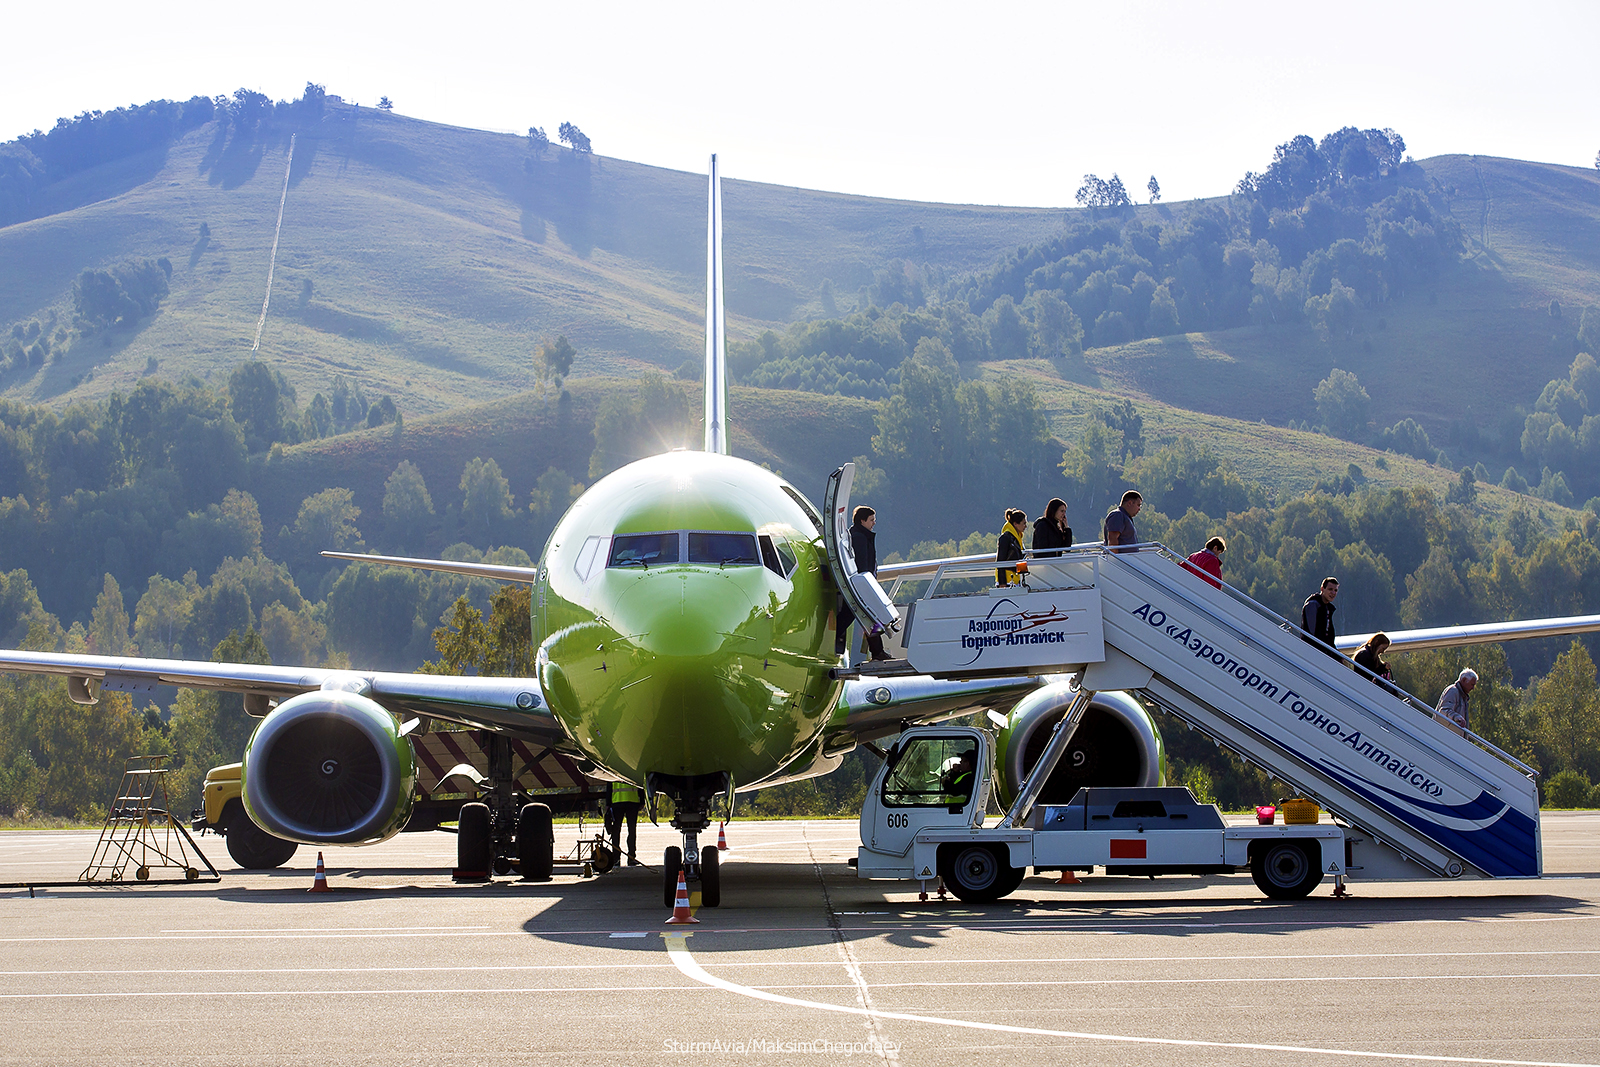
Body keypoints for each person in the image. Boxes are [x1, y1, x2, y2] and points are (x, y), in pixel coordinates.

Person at [837, 505, 890, 661]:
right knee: (872, 618)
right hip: (862, 586)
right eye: (871, 520)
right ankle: (877, 652)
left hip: (861, 585)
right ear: (862, 520)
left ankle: (877, 651)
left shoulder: (858, 535)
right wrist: (868, 584)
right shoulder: (860, 537)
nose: (874, 523)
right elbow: (862, 564)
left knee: (855, 617)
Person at [606, 780, 643, 865]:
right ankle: (631, 857)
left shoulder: (614, 768)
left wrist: (608, 803)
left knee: (616, 831)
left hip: (617, 802)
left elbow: (609, 785)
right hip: (632, 802)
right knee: (632, 830)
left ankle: (616, 858)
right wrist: (642, 800)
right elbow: (639, 782)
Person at [1301, 576, 1339, 653]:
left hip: (1325, 650)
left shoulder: (1328, 608)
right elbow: (1312, 633)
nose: (1333, 593)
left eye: (1335, 590)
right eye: (1330, 589)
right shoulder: (1313, 605)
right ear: (1322, 589)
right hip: (1314, 651)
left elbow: (1328, 634)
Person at [1436, 668, 1477, 733]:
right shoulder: (1453, 691)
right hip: (1444, 736)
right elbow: (1443, 711)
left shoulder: (1463, 697)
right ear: (1464, 680)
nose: (1473, 688)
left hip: (1452, 737)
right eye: (1472, 684)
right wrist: (1456, 717)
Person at [996, 508, 1027, 585]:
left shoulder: (1017, 538)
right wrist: (1002, 583)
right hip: (1008, 581)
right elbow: (1000, 561)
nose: (1025, 526)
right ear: (1015, 524)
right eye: (1024, 523)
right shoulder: (1005, 538)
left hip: (1015, 579)